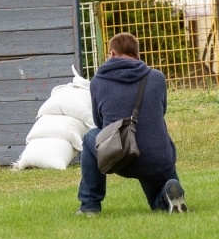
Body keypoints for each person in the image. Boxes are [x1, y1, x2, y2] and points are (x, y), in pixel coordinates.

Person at [75, 32, 187, 216]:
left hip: (122, 155)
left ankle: (89, 205)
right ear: (137, 55)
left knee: (90, 138)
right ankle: (168, 193)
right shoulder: (157, 77)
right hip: (159, 158)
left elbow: (101, 123)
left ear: (111, 54)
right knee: (156, 137)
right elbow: (161, 111)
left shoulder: (98, 82)